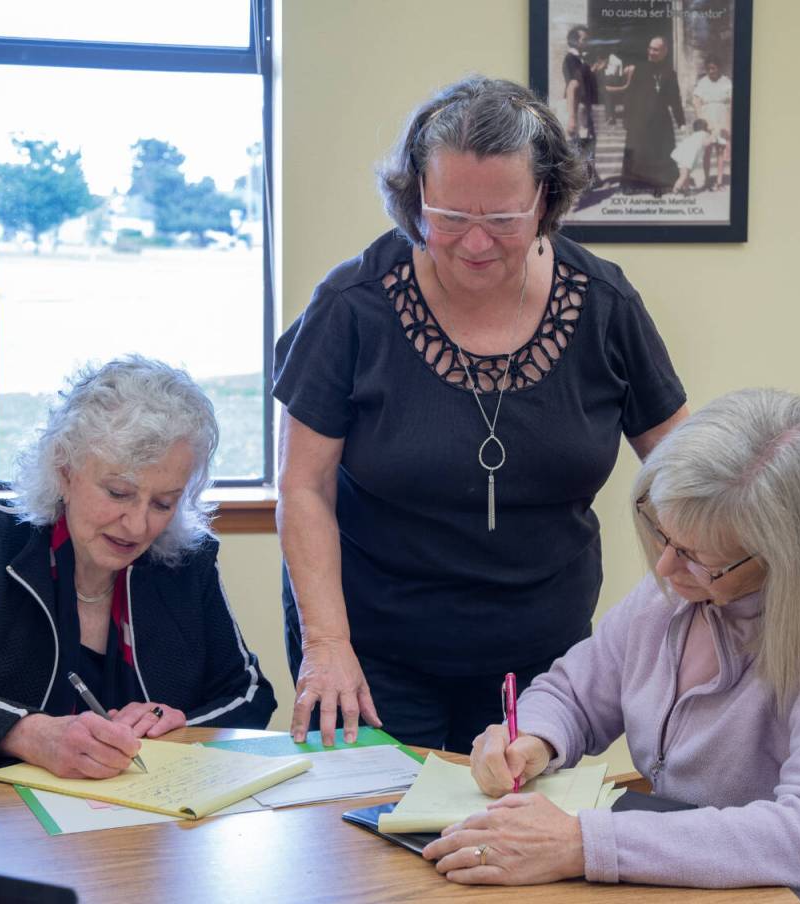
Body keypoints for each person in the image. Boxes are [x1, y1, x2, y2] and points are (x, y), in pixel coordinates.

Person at [273, 75, 688, 751]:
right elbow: (304, 486)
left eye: (502, 220)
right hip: (372, 651)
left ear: (546, 200)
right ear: (414, 197)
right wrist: (326, 644)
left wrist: (690, 601)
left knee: (512, 841)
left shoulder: (604, 306)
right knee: (373, 840)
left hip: (543, 658)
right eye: (450, 216)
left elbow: (684, 470)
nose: (474, 243)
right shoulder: (353, 307)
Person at [425, 388, 800, 902]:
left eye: (698, 556)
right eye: (663, 536)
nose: (664, 568)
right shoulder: (677, 593)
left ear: (786, 557)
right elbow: (573, 694)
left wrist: (584, 843)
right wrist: (534, 739)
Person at [0, 356, 276, 776]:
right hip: (10, 818)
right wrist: (30, 733)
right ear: (64, 470)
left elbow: (250, 693)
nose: (138, 524)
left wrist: (178, 724)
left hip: (150, 823)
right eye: (118, 492)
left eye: (164, 502)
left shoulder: (187, 560)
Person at [611, 36, 686, 196]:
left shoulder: (670, 73)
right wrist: (626, 117)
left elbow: (675, 98)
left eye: (656, 49)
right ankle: (631, 185)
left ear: (665, 51)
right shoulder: (639, 68)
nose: (651, 52)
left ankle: (659, 186)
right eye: (650, 48)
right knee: (636, 152)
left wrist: (681, 121)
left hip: (660, 121)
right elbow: (630, 95)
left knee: (660, 152)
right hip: (639, 118)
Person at [562, 24, 598, 184]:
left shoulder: (579, 60)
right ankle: (583, 181)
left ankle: (590, 177)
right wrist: (572, 117)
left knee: (586, 141)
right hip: (577, 107)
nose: (588, 42)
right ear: (575, 41)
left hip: (583, 107)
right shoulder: (571, 60)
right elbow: (573, 87)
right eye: (585, 39)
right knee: (581, 143)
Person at [692, 56, 733, 190]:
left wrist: (728, 122)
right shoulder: (702, 82)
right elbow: (696, 101)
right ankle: (707, 180)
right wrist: (702, 121)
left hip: (722, 117)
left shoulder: (726, 81)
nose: (711, 71)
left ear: (719, 68)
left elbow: (732, 102)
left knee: (720, 150)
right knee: (707, 151)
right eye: (708, 68)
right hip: (707, 117)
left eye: (713, 68)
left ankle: (719, 181)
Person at [671, 119, 713, 194]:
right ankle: (675, 190)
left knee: (685, 174)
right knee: (684, 175)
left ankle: (686, 190)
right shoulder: (704, 134)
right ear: (705, 128)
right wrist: (713, 135)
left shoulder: (695, 134)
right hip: (687, 156)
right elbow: (706, 143)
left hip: (682, 154)